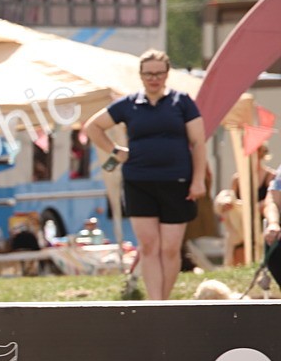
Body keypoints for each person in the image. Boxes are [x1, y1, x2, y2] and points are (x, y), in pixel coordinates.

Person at [83, 49, 207, 300]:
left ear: (167, 74)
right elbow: (93, 127)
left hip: (177, 181)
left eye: (159, 73)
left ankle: (164, 300)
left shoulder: (182, 102)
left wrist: (198, 179)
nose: (154, 78)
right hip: (139, 182)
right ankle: (156, 303)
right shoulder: (129, 104)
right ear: (140, 75)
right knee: (149, 246)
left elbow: (199, 143)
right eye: (149, 73)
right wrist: (116, 151)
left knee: (171, 248)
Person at [214, 145, 277, 266]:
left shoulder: (271, 176)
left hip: (260, 223)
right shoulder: (237, 179)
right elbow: (233, 197)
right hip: (241, 227)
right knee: (239, 249)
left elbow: (272, 199)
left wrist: (255, 208)